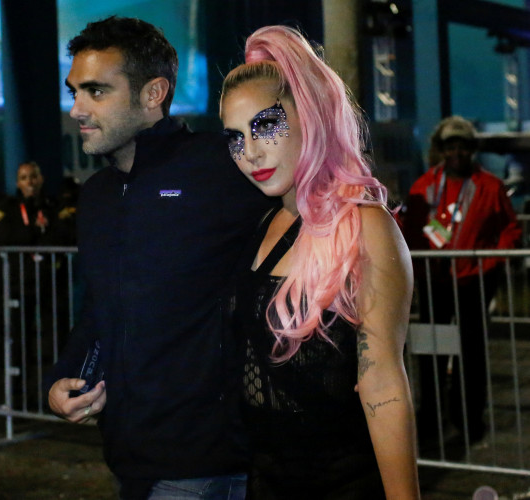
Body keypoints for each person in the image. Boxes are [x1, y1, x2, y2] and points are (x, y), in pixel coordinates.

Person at [46, 16, 272, 500]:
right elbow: (100, 307)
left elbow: (315, 196)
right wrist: (64, 376)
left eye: (96, 92)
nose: (78, 109)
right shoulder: (98, 195)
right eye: (74, 92)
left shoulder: (224, 166)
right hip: (128, 454)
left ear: (153, 94)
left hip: (207, 460)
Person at [219, 26, 420, 498]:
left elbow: (383, 383)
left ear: (308, 114)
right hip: (264, 482)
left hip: (343, 485)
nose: (249, 152)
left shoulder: (364, 225)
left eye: (266, 124)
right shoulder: (263, 222)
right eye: (234, 137)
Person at [399, 116, 521, 443]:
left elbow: (510, 229)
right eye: (450, 146)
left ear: (471, 150)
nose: (456, 152)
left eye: (462, 147)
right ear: (441, 149)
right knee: (431, 354)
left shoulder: (490, 187)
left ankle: (468, 421)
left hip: (474, 285)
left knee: (471, 355)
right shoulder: (424, 187)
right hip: (435, 285)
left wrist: (491, 262)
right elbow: (410, 232)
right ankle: (430, 422)